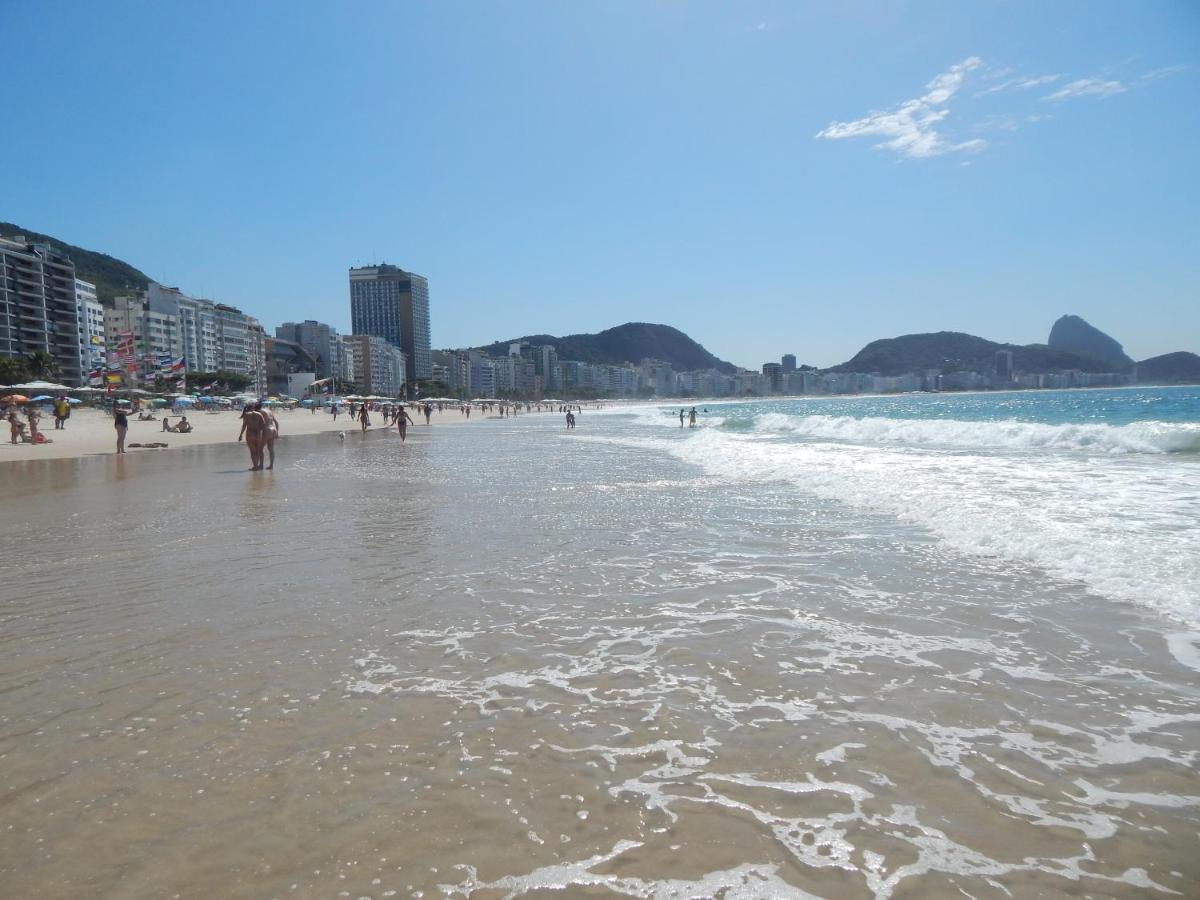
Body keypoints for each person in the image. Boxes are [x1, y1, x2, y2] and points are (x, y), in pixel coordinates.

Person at [237, 404, 267, 470]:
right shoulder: (259, 414)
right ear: (253, 408)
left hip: (250, 434)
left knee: (252, 451)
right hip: (258, 434)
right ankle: (257, 466)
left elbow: (244, 425)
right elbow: (263, 425)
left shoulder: (246, 415)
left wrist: (241, 435)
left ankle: (255, 466)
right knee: (258, 451)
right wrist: (259, 430)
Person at [258, 402, 279, 469]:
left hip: (267, 430)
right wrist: (277, 433)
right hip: (273, 429)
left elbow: (259, 423)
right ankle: (271, 466)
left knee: (260, 449)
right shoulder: (269, 411)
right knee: (271, 449)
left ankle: (261, 465)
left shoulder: (260, 411)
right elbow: (276, 422)